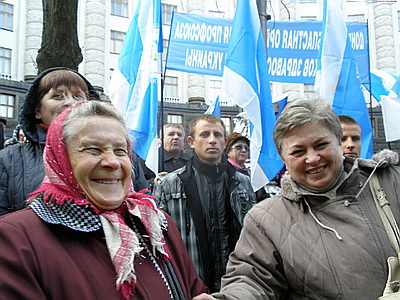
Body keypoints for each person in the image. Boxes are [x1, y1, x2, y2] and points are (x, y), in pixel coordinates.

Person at [0, 100, 208, 299]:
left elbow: (192, 289)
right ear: (60, 157)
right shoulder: (16, 240)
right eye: (93, 149)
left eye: (120, 150)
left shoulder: (157, 223)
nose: (112, 162)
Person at [195, 98, 400, 300]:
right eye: (298, 151)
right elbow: (251, 279)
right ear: (283, 158)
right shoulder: (265, 219)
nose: (312, 159)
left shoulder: (391, 182)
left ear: (338, 142)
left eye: (321, 145)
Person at [153, 114, 256, 292]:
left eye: (217, 135)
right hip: (190, 284)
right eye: (205, 135)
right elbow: (160, 241)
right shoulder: (168, 184)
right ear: (192, 142)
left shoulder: (243, 182)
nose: (212, 140)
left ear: (224, 142)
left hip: (237, 283)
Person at [0, 67, 100, 215]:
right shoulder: (8, 159)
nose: (70, 102)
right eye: (58, 96)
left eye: (78, 96)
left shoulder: (120, 155)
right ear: (38, 111)